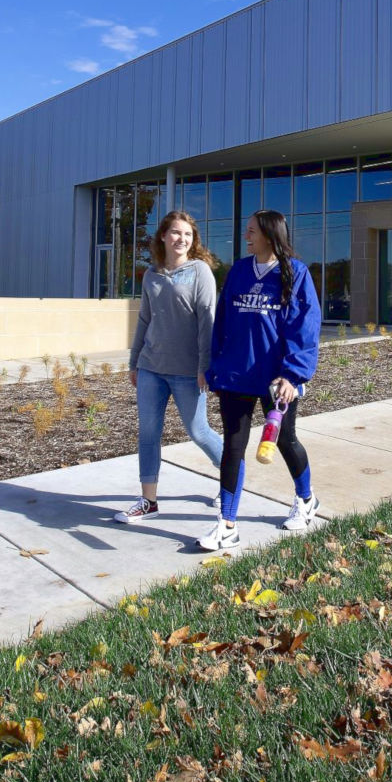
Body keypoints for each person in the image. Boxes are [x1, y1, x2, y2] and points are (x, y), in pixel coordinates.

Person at [201, 209, 322, 552]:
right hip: (237, 375)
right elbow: (222, 320)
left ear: (269, 234)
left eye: (251, 231)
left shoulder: (295, 273)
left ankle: (306, 499)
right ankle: (227, 524)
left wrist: (293, 374)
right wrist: (216, 366)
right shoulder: (239, 271)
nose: (246, 236)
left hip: (277, 380)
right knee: (233, 448)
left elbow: (306, 326)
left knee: (286, 441)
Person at [113, 211, 227, 523]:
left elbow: (208, 321)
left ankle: (231, 476)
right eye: (176, 233)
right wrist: (135, 361)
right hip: (151, 367)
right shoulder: (151, 275)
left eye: (188, 234)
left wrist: (205, 366)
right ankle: (148, 501)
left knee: (198, 431)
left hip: (188, 371)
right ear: (163, 236)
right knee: (148, 433)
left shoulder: (200, 271)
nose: (182, 239)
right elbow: (145, 319)